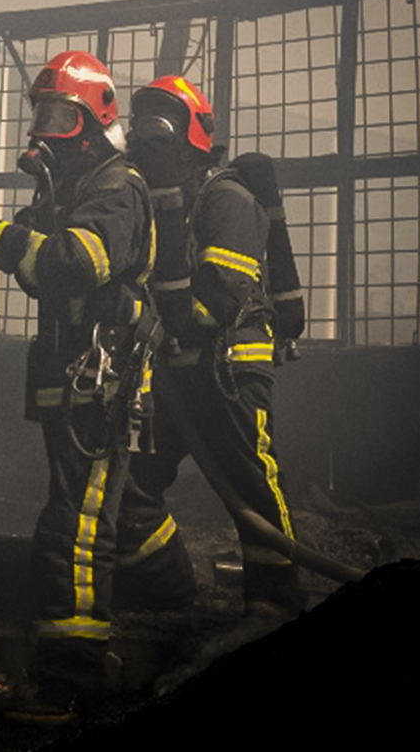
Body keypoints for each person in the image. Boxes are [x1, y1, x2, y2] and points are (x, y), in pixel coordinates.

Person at [0, 50, 157, 719]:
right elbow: (37, 258)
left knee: (76, 528)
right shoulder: (71, 190)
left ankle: (70, 679)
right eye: (43, 115)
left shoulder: (116, 188)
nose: (46, 130)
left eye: (62, 116)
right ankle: (169, 586)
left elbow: (73, 263)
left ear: (96, 121)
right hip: (77, 377)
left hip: (103, 383)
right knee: (101, 512)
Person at [116, 75, 303, 621]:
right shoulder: (154, 203)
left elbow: (213, 305)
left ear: (192, 139)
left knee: (253, 489)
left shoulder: (228, 200)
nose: (149, 143)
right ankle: (162, 583)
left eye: (161, 131)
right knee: (130, 483)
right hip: (172, 374)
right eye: (141, 130)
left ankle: (275, 605)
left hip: (229, 372)